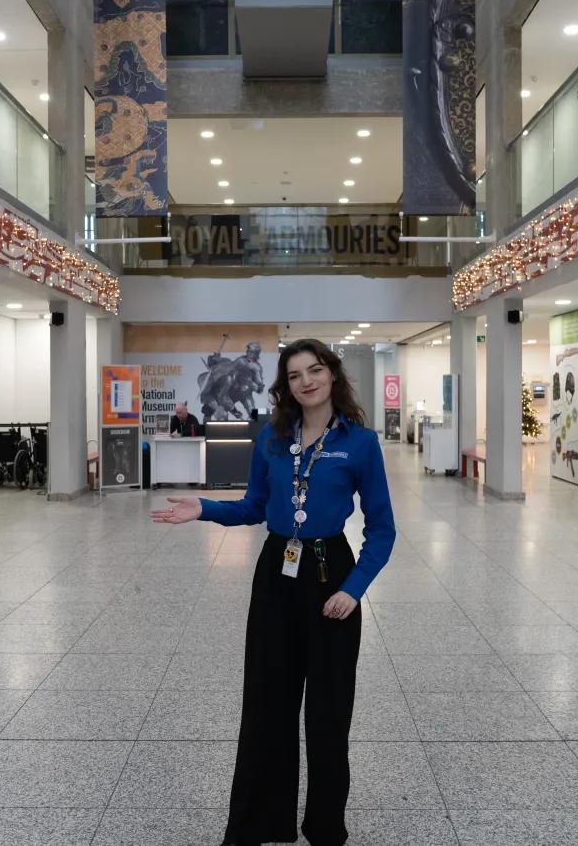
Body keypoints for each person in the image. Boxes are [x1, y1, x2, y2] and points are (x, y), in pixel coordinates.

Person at [152, 338, 395, 846]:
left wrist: (354, 591)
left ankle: (326, 827)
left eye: (315, 370)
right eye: (294, 375)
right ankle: (260, 822)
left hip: (332, 573)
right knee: (267, 703)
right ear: (285, 386)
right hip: (276, 574)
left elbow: (382, 530)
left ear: (332, 375)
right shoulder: (271, 437)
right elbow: (254, 507)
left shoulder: (359, 442)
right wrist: (205, 508)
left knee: (329, 712)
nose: (306, 381)